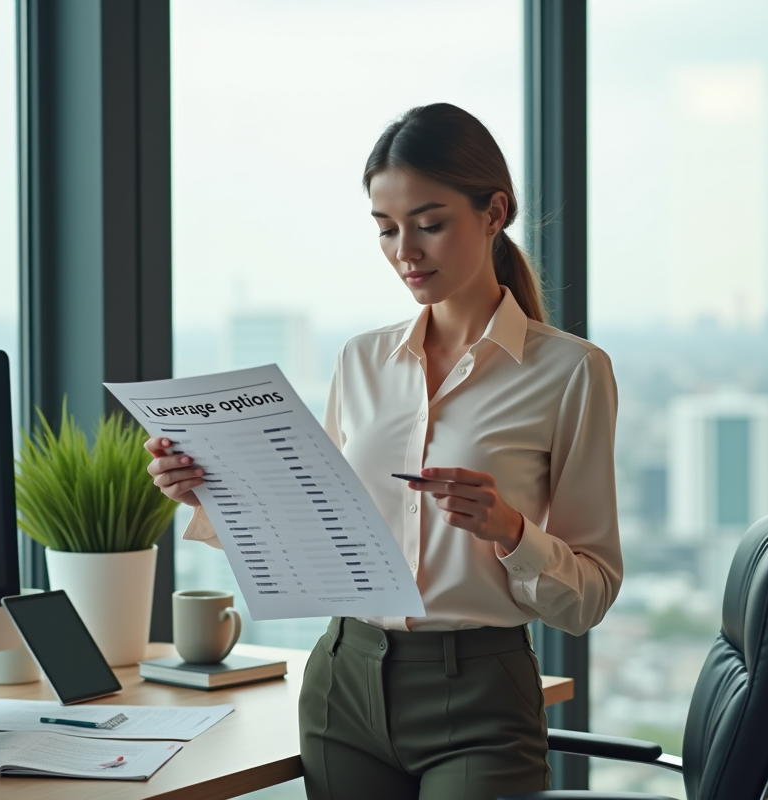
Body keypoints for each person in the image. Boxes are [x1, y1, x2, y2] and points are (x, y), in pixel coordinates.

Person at [146, 103, 622, 800]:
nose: (406, 251)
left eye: (430, 224)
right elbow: (327, 539)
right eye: (386, 228)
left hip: (481, 694)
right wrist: (209, 491)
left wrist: (509, 530)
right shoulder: (362, 359)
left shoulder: (571, 372)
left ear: (494, 214)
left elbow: (589, 596)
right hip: (343, 681)